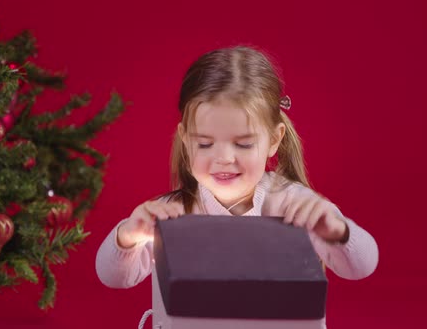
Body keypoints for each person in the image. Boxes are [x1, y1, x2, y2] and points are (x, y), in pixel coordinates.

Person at [96, 46, 378, 298]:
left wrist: (338, 232)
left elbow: (362, 266)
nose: (223, 159)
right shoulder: (174, 213)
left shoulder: (295, 206)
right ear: (185, 139)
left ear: (274, 140)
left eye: (243, 144)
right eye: (204, 144)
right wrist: (128, 236)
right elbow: (114, 277)